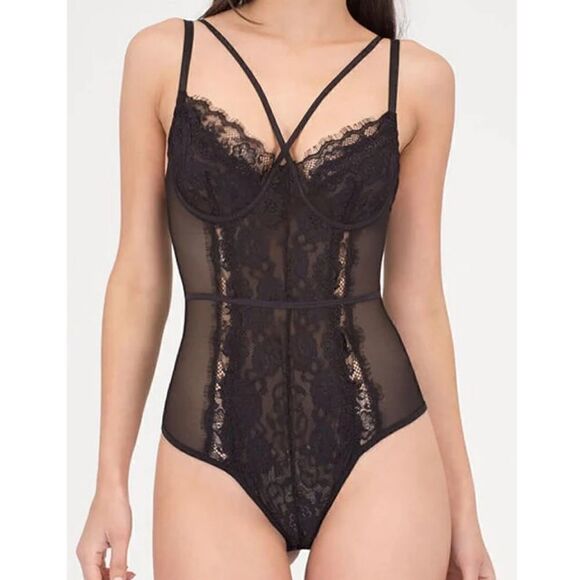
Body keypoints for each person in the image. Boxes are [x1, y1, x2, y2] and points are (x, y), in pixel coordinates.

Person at [76, 1, 495, 578]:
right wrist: (109, 480)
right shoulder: (166, 56)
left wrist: (464, 510)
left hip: (382, 441)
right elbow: (138, 280)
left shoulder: (420, 78)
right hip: (211, 445)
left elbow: (417, 300)